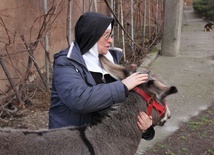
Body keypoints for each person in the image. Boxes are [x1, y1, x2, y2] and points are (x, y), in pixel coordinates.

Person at [49, 11, 155, 140]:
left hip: (103, 143)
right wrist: (123, 86)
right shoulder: (66, 63)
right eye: (106, 35)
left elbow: (120, 108)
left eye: (110, 35)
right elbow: (79, 100)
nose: (110, 41)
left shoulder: (108, 61)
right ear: (91, 36)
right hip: (72, 142)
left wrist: (145, 128)